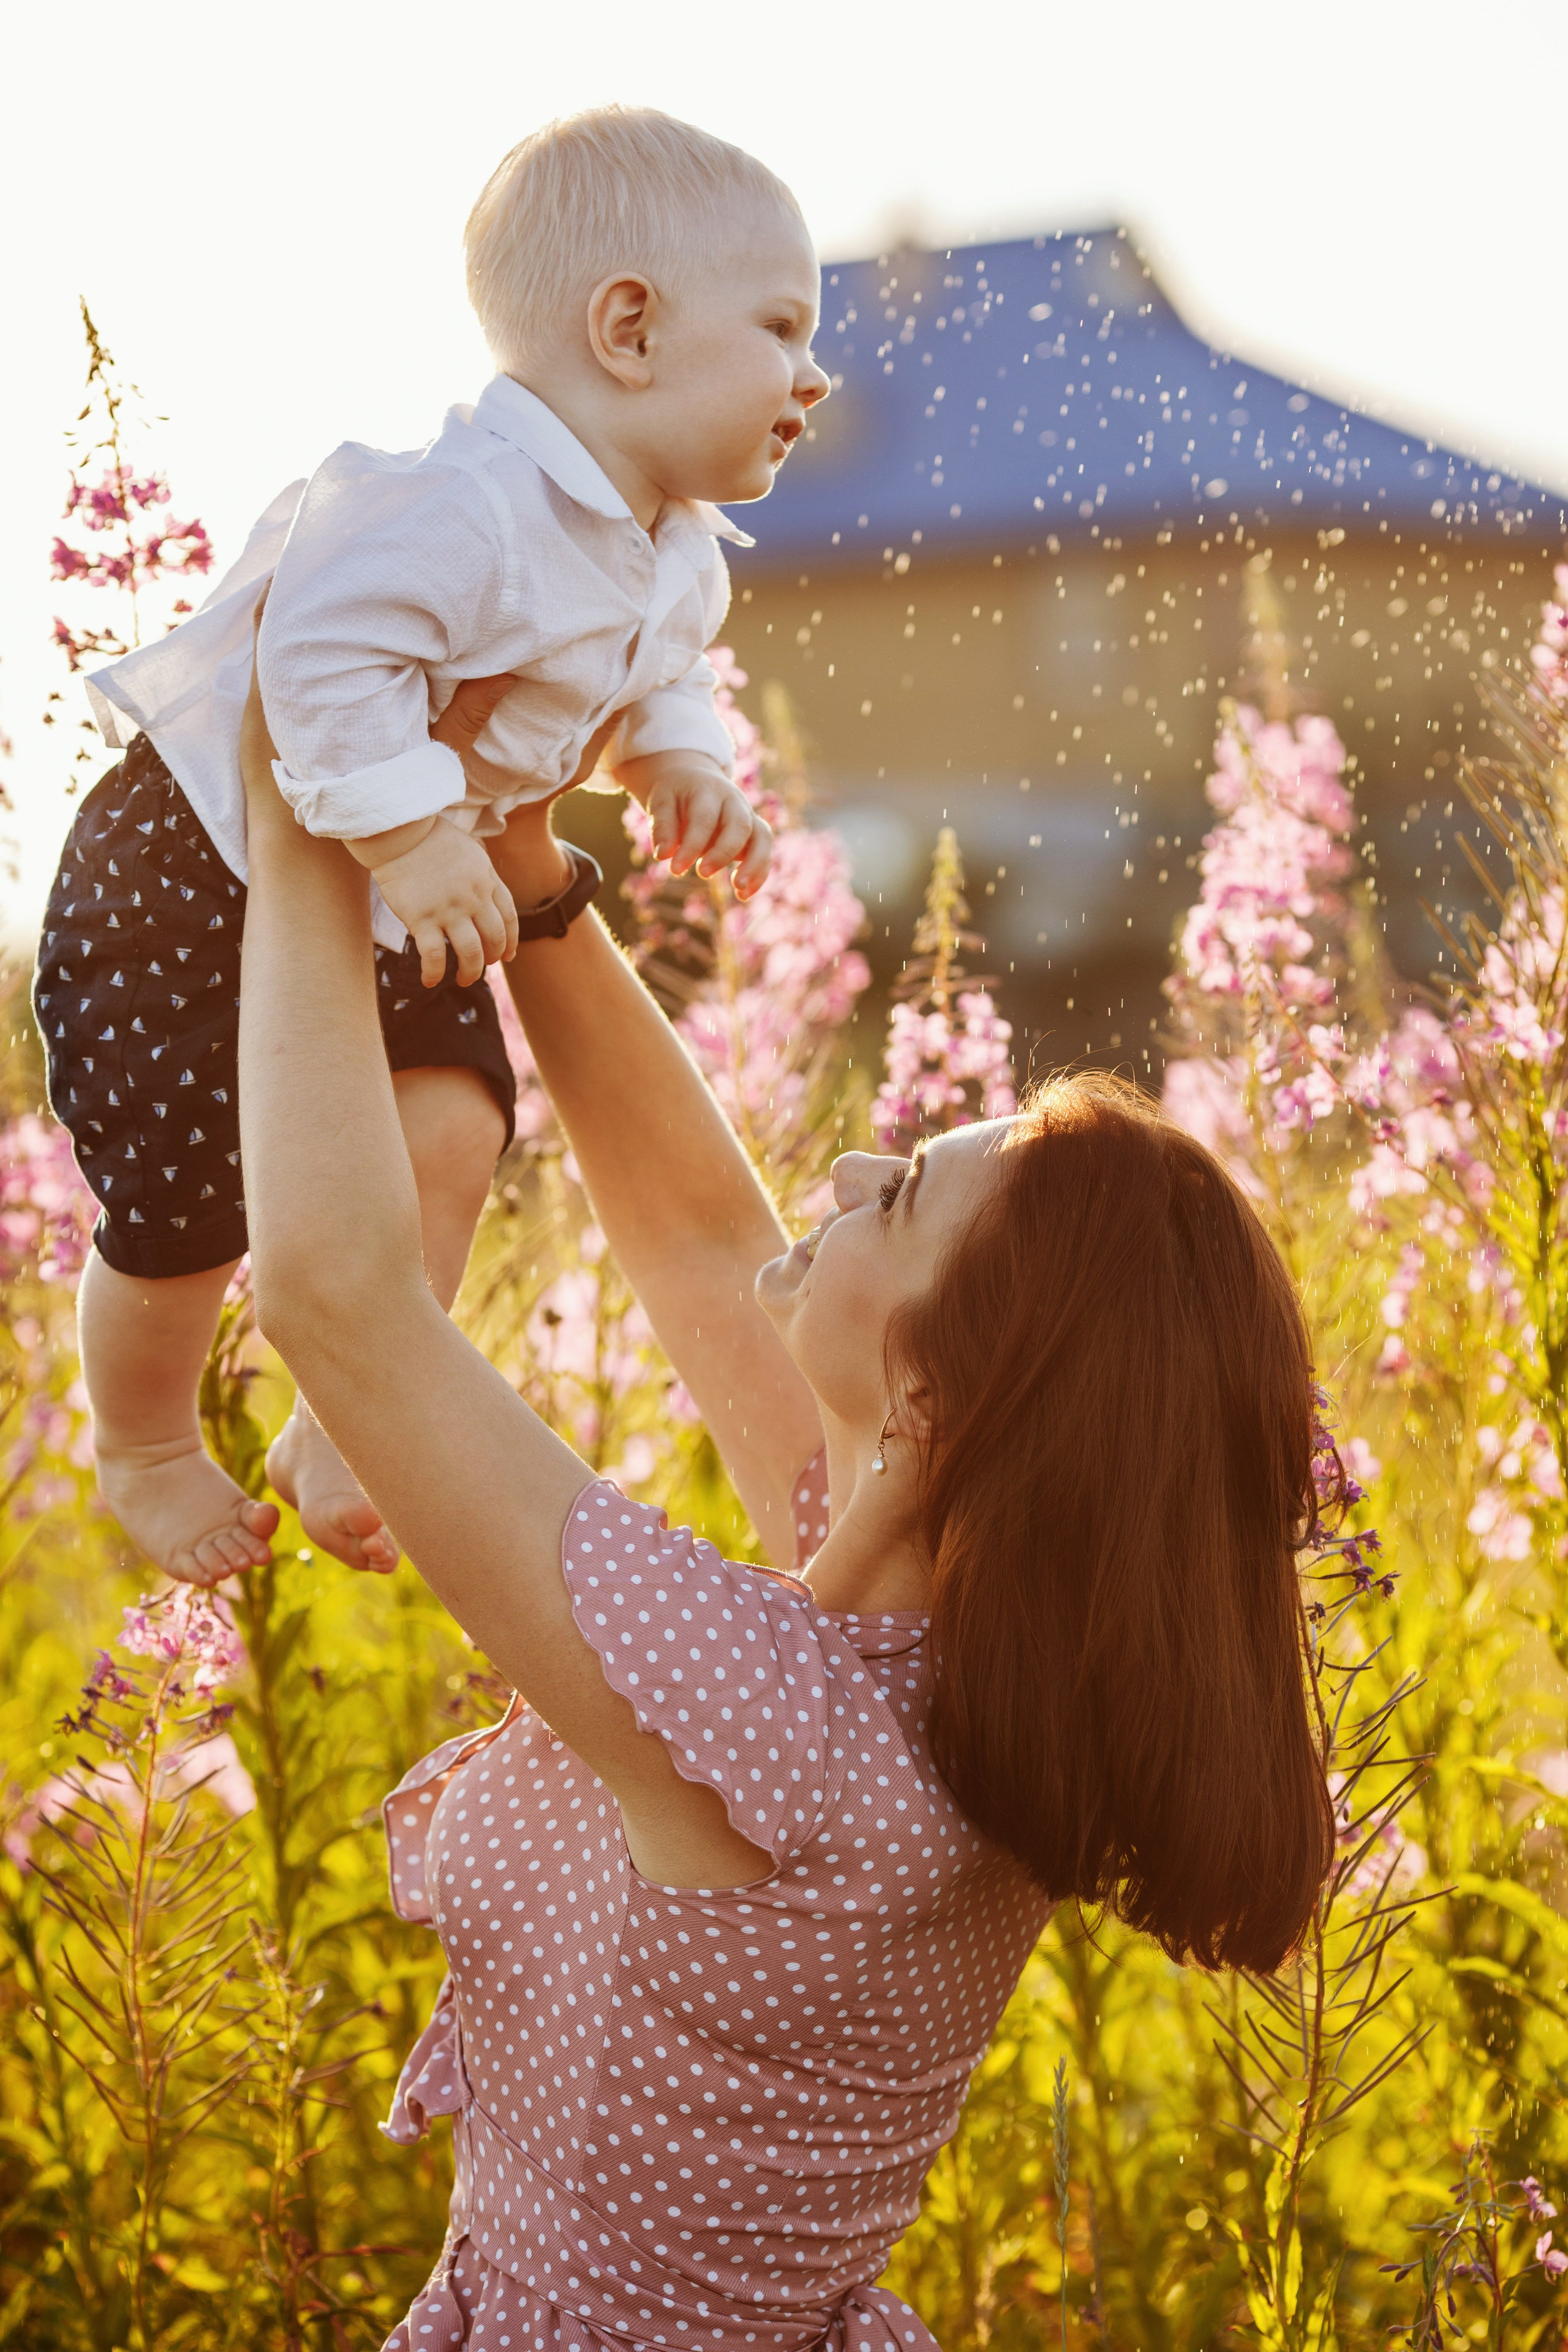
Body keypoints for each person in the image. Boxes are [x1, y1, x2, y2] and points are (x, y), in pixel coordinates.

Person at [234, 659, 1336, 2352]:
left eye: (895, 1193)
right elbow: (688, 1232)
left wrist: (305, 800)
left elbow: (335, 1296)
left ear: (933, 1398)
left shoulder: (782, 1727)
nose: (840, 1169)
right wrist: (530, 862)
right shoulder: (932, 1669)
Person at [35, 105, 824, 1587]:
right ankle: (141, 1443)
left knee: (459, 1130)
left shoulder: (669, 548)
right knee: (186, 1208)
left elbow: (658, 677)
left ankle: (349, 1418)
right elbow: (316, 664)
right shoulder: (459, 501)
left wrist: (679, 769)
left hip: (424, 875)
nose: (812, 371)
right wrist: (407, 837)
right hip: (194, 870)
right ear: (629, 329)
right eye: (782, 326)